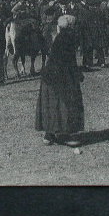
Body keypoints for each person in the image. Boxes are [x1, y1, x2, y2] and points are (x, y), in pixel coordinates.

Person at [35, 14, 85, 147]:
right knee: (66, 104)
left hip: (49, 75)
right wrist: (77, 74)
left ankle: (49, 134)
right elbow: (69, 61)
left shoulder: (59, 37)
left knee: (50, 105)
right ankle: (67, 134)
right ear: (70, 27)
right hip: (60, 76)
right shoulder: (68, 38)